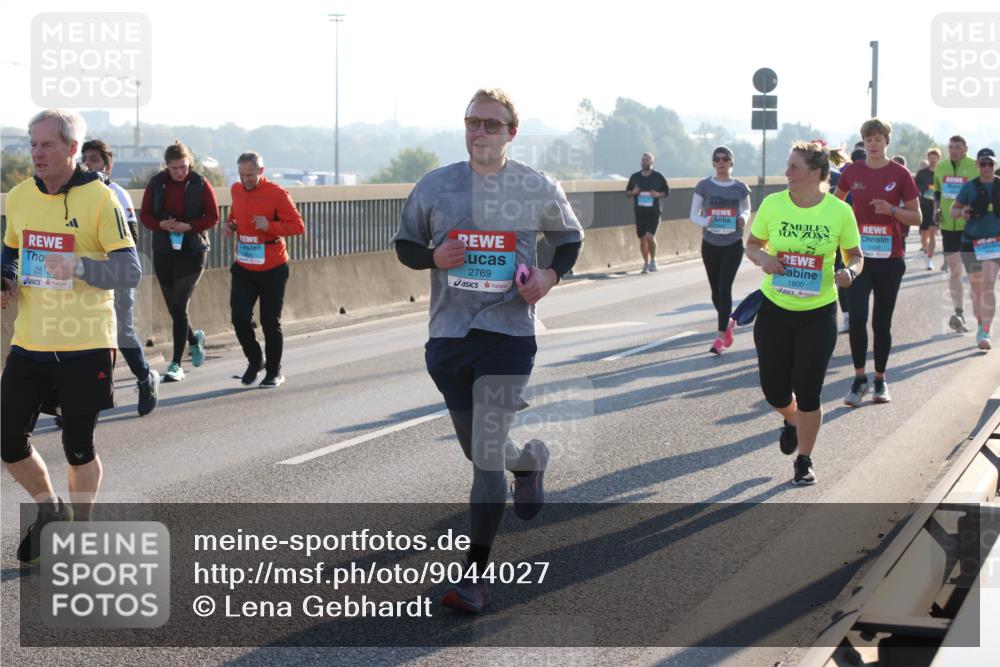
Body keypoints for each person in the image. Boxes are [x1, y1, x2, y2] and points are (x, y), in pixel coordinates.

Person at [392, 88, 584, 612]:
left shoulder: (535, 185)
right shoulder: (436, 185)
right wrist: (434, 254)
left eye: (491, 125)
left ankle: (474, 577)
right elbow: (405, 245)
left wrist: (548, 275)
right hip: (449, 337)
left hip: (509, 334)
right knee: (481, 449)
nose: (479, 132)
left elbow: (570, 238)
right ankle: (529, 462)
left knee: (483, 458)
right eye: (473, 123)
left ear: (510, 134)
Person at [1, 109, 141, 563]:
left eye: (46, 145)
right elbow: (11, 251)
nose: (36, 153)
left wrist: (79, 266)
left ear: (71, 150)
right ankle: (49, 510)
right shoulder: (20, 196)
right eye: (32, 144)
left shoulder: (101, 200)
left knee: (77, 447)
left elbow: (130, 270)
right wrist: (5, 279)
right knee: (7, 440)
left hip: (85, 343)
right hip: (30, 341)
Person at [745, 141, 863, 485]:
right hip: (776, 308)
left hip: (818, 312)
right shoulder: (773, 204)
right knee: (774, 389)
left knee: (809, 389)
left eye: (794, 167)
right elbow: (752, 245)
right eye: (787, 166)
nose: (787, 173)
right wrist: (764, 258)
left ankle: (804, 460)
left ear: (815, 173)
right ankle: (792, 418)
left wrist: (850, 273)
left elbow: (856, 255)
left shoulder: (839, 211)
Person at [835, 119, 921, 406]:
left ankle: (881, 380)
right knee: (857, 318)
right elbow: (836, 205)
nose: (873, 143)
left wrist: (892, 210)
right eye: (868, 139)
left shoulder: (901, 174)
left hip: (890, 258)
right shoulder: (851, 172)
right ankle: (860, 379)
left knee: (881, 322)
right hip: (858, 258)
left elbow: (917, 217)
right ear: (864, 142)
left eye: (878, 138)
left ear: (886, 141)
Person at [81, 139, 160, 414]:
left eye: (94, 159)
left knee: (121, 333)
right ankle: (72, 402)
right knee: (84, 335)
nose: (88, 164)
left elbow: (132, 237)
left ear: (108, 165)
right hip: (85, 275)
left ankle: (145, 378)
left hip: (114, 273)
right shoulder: (77, 194)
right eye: (85, 159)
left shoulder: (116, 193)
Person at [223, 152, 305, 387]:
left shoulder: (278, 194)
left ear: (261, 171)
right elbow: (236, 216)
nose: (245, 179)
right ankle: (255, 359)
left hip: (273, 267)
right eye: (241, 175)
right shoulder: (236, 190)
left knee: (270, 322)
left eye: (250, 174)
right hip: (244, 266)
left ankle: (274, 371)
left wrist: (269, 226)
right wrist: (231, 226)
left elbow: (298, 226)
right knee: (239, 318)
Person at [139, 141, 219, 381]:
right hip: (165, 249)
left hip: (192, 250)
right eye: (174, 168)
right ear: (167, 167)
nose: (179, 172)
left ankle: (175, 364)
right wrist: (161, 224)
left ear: (189, 163)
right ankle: (194, 339)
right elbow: (145, 215)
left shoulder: (200, 183)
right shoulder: (156, 183)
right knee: (175, 309)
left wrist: (190, 226)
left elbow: (213, 216)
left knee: (179, 303)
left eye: (183, 167)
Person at [689, 146, 751, 355]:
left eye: (725, 159)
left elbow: (746, 209)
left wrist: (743, 218)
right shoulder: (704, 186)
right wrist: (706, 220)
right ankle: (729, 322)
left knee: (725, 288)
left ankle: (719, 337)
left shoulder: (740, 187)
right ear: (713, 163)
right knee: (716, 293)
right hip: (710, 244)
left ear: (731, 163)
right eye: (717, 159)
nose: (721, 162)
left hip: (733, 244)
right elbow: (693, 215)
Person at [951, 148, 1000, 351]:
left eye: (991, 164)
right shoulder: (969, 187)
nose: (987, 167)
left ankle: (985, 331)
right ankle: (980, 323)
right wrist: (962, 211)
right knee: (977, 289)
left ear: (995, 165)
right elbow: (953, 210)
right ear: (977, 165)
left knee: (989, 286)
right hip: (971, 243)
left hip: (994, 243)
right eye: (983, 164)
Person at [934, 136, 979, 321]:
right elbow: (937, 191)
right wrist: (936, 209)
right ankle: (958, 313)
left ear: (965, 148)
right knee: (954, 271)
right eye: (951, 147)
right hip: (948, 227)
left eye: (957, 147)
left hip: (971, 227)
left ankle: (980, 318)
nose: (953, 150)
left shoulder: (974, 166)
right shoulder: (941, 167)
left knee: (975, 275)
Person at [626, 152, 669, 273]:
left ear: (652, 162)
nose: (644, 162)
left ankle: (653, 260)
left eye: (647, 160)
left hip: (654, 212)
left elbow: (667, 192)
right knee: (643, 239)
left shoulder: (658, 177)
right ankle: (646, 262)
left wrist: (658, 194)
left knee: (650, 236)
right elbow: (627, 193)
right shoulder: (634, 177)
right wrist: (633, 192)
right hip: (640, 213)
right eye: (643, 160)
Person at [915, 149, 942, 270]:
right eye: (931, 157)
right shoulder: (921, 173)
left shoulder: (941, 172)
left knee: (932, 233)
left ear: (938, 158)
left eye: (935, 157)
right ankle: (926, 253)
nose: (933, 160)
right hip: (924, 205)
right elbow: (914, 187)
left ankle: (929, 259)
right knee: (924, 234)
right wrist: (925, 187)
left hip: (936, 206)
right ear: (928, 158)